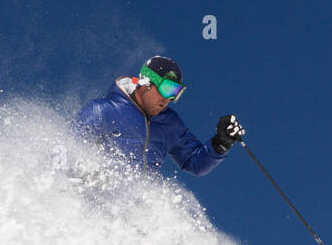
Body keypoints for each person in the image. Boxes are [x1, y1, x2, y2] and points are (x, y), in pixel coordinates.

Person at [74, 55, 244, 176]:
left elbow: (194, 163)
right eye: (166, 89)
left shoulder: (169, 123)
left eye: (175, 93)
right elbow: (70, 149)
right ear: (146, 82)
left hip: (136, 210)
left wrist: (221, 143)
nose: (167, 99)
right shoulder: (102, 111)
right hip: (95, 203)